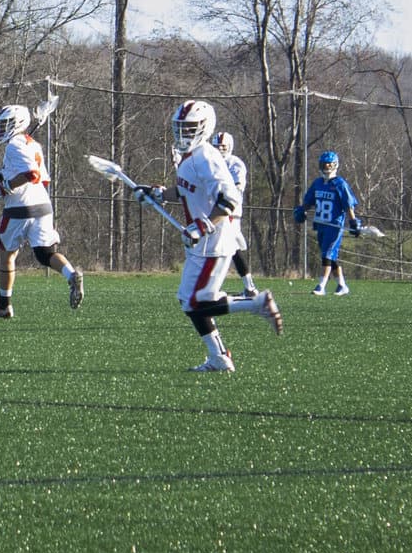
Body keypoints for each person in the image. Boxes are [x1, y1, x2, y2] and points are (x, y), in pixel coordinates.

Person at [142, 101, 282, 371]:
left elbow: (230, 200)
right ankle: (218, 358)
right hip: (202, 243)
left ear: (204, 129)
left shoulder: (206, 157)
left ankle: (256, 303)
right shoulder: (190, 156)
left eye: (189, 128)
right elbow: (185, 191)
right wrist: (158, 194)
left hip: (214, 242)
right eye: (180, 128)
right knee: (189, 300)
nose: (183, 134)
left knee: (197, 302)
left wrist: (203, 225)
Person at [0, 102, 84, 318]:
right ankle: (70, 275)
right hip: (43, 205)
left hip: (19, 208)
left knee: (8, 255)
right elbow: (43, 180)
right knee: (45, 253)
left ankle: (4, 305)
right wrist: (3, 176)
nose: (1, 129)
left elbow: (32, 174)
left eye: (6, 124)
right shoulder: (34, 144)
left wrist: (4, 187)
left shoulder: (13, 146)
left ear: (18, 123)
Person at [294, 150, 361, 296]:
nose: (326, 167)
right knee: (331, 257)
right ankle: (342, 286)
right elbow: (308, 201)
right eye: (324, 164)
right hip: (321, 224)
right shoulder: (317, 183)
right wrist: (302, 210)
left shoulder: (340, 184)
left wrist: (353, 221)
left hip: (334, 225)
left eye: (329, 165)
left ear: (335, 165)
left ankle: (321, 286)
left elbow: (348, 205)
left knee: (327, 255)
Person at [211, 129, 265, 297]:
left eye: (223, 146)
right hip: (213, 210)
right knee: (224, 248)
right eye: (216, 146)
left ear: (230, 147)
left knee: (228, 248)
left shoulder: (235, 163)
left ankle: (247, 287)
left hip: (229, 212)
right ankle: (248, 287)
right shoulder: (209, 162)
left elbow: (236, 189)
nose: (219, 150)